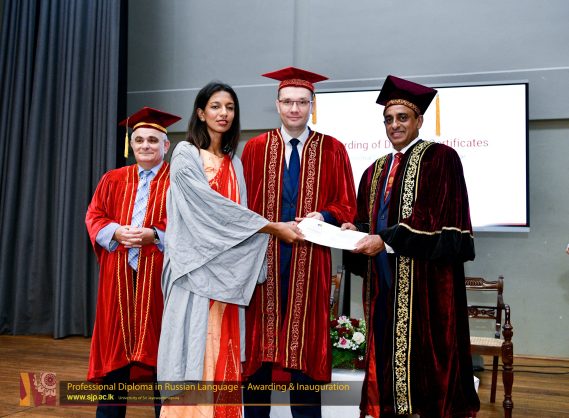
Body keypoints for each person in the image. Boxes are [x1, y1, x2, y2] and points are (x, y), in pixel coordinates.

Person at [156, 81, 303, 418]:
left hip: (227, 279)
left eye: (230, 107)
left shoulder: (234, 163)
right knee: (193, 354)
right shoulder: (185, 153)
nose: (223, 113)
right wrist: (271, 227)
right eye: (216, 106)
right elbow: (206, 207)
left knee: (222, 352)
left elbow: (239, 219)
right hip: (194, 273)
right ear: (200, 113)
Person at [342, 75, 480, 418]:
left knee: (427, 363)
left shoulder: (441, 158)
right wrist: (352, 231)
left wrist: (386, 239)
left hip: (425, 284)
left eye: (402, 117)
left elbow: (437, 221)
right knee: (385, 353)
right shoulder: (374, 170)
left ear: (419, 120)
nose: (395, 125)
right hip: (383, 282)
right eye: (388, 119)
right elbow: (366, 222)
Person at [241, 67, 357, 418]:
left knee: (305, 346)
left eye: (302, 102)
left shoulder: (333, 149)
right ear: (277, 104)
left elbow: (347, 203)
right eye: (288, 101)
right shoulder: (255, 149)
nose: (295, 108)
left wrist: (324, 215)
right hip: (263, 262)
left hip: (311, 260)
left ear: (312, 105)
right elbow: (241, 207)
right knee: (260, 347)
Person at [85, 106, 181, 418]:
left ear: (166, 145)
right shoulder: (113, 179)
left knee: (162, 356)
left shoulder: (179, 182)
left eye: (153, 140)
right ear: (131, 144)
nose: (145, 146)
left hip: (161, 280)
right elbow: (95, 216)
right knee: (116, 352)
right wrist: (115, 231)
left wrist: (156, 234)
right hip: (119, 278)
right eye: (139, 140)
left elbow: (190, 225)